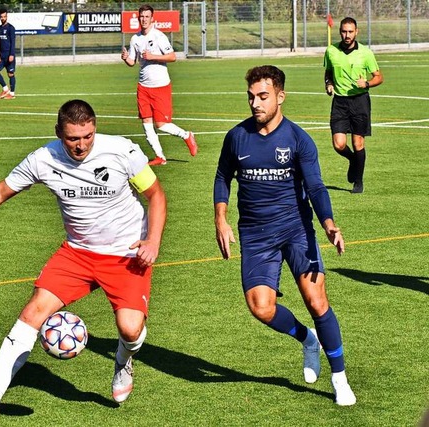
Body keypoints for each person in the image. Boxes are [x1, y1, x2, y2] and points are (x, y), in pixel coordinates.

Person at [0, 99, 167, 423]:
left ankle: (123, 359)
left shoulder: (121, 151)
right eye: (73, 138)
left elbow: (155, 195)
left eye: (87, 136)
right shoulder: (43, 160)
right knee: (33, 312)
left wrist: (153, 240)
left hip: (126, 253)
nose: (81, 145)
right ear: (59, 132)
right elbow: (0, 192)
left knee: (130, 329)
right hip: (77, 254)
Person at [213, 65, 356, 406]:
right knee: (261, 308)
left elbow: (316, 187)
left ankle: (339, 379)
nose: (255, 104)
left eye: (263, 97)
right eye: (251, 97)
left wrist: (329, 224)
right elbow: (222, 176)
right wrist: (221, 218)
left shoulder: (297, 139)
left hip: (296, 230)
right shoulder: (237, 137)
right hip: (256, 235)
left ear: (280, 96)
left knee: (317, 301)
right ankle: (307, 340)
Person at [121, 4, 197, 166]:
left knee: (161, 125)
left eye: (147, 17)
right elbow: (132, 62)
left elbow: (172, 57)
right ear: (138, 17)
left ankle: (186, 135)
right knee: (146, 124)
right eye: (141, 16)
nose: (144, 19)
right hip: (143, 87)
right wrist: (126, 57)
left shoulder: (159, 36)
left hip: (160, 86)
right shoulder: (135, 39)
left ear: (152, 18)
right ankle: (160, 157)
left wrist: (153, 56)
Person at [324, 17, 383, 194]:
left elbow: (379, 77)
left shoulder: (366, 53)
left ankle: (358, 181)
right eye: (344, 31)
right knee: (338, 144)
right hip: (340, 103)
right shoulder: (331, 51)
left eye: (350, 31)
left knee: (358, 143)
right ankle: (353, 160)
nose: (347, 35)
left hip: (360, 101)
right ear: (340, 31)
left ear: (356, 32)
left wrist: (366, 83)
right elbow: (328, 71)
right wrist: (328, 83)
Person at [0, 7, 17, 100]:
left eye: (4, 16)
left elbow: (13, 42)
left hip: (9, 55)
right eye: (1, 17)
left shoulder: (11, 28)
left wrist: (11, 54)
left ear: (7, 16)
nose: (3, 18)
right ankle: (5, 88)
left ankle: (12, 93)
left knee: (10, 74)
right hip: (1, 55)